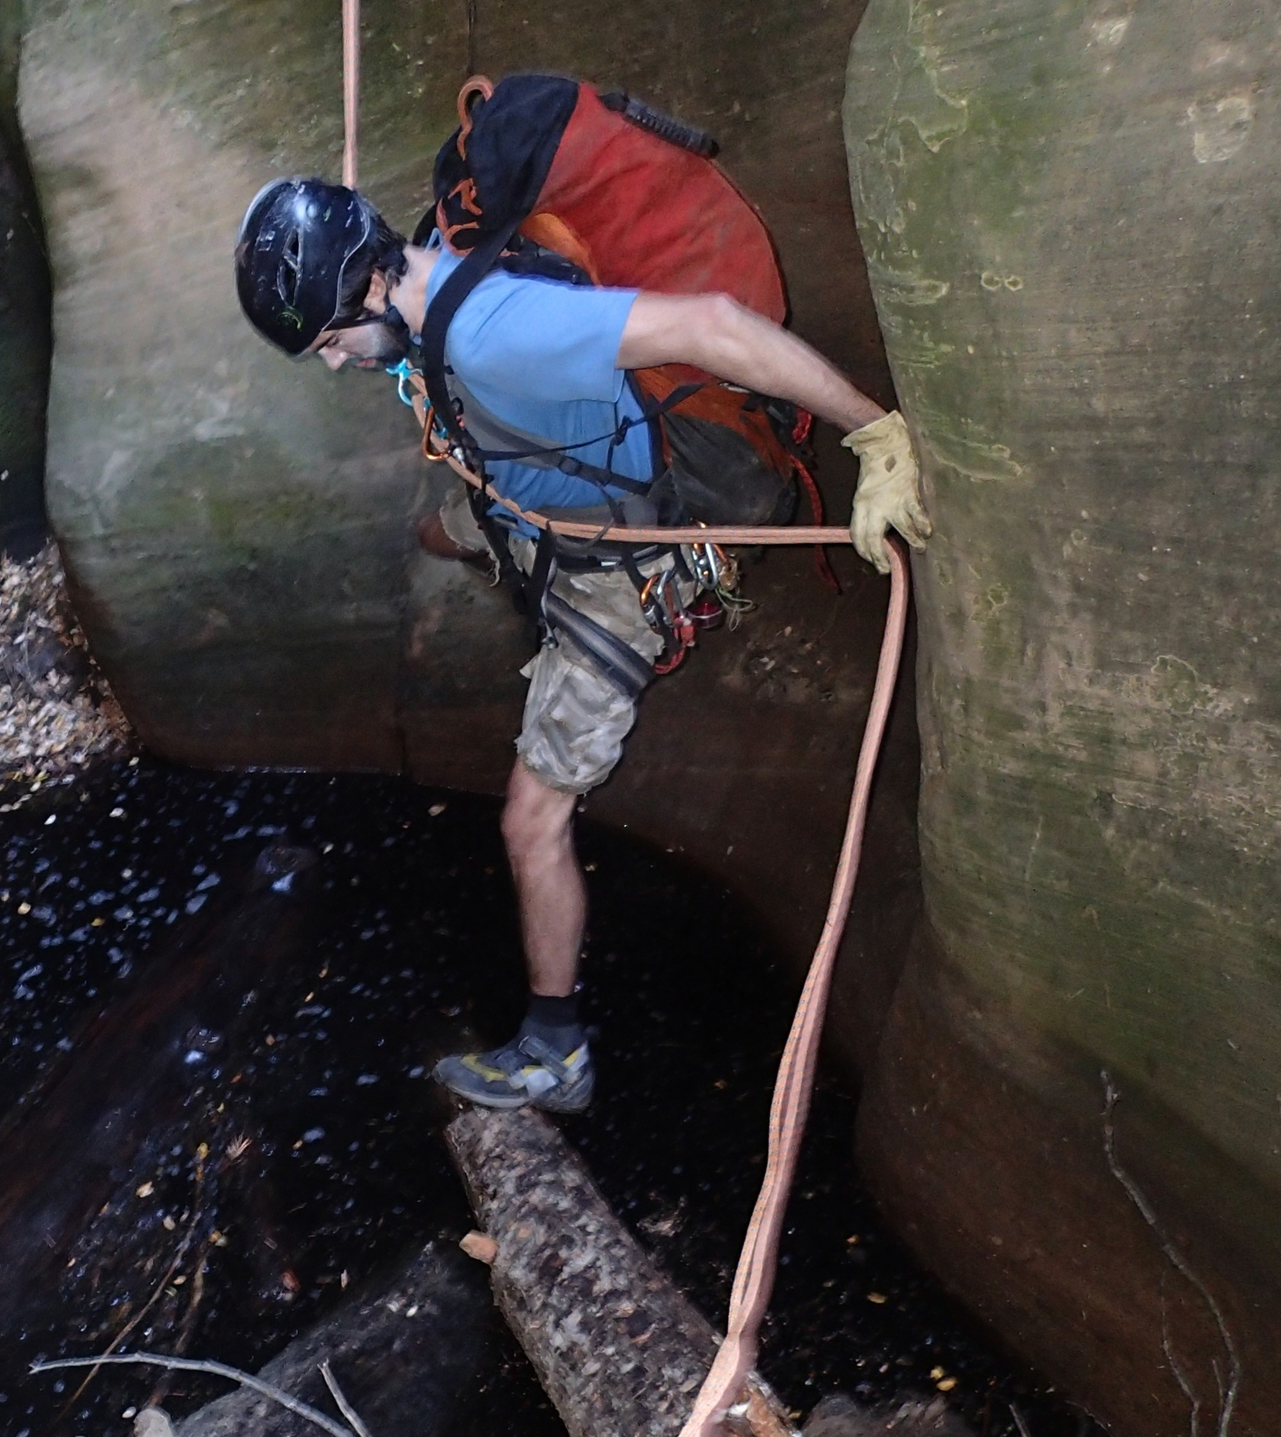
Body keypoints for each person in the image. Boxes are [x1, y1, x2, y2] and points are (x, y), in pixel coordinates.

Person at [233, 178, 930, 1113]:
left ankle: (554, 1052)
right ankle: (452, 534)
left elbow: (715, 328)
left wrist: (876, 437)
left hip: (614, 565)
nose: (332, 365)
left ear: (367, 290)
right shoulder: (432, 286)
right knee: (446, 531)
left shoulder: (493, 330)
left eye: (329, 343)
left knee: (530, 822)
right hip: (527, 501)